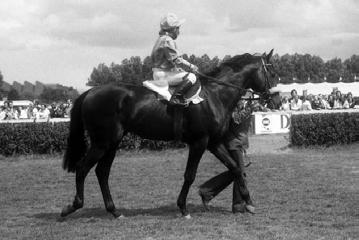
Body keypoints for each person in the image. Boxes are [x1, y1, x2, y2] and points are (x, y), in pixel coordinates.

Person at [198, 100, 258, 214]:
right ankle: (238, 205)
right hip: (232, 144)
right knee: (240, 174)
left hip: (238, 143)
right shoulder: (230, 105)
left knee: (236, 173)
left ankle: (207, 192)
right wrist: (250, 108)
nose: (243, 100)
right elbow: (236, 120)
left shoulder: (242, 106)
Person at [150, 13, 199, 105]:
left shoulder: (162, 39)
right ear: (173, 29)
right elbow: (176, 60)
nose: (179, 32)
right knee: (192, 77)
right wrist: (192, 66)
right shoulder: (167, 40)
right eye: (178, 28)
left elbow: (169, 61)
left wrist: (176, 69)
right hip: (163, 75)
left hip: (162, 72)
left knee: (184, 73)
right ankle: (176, 98)